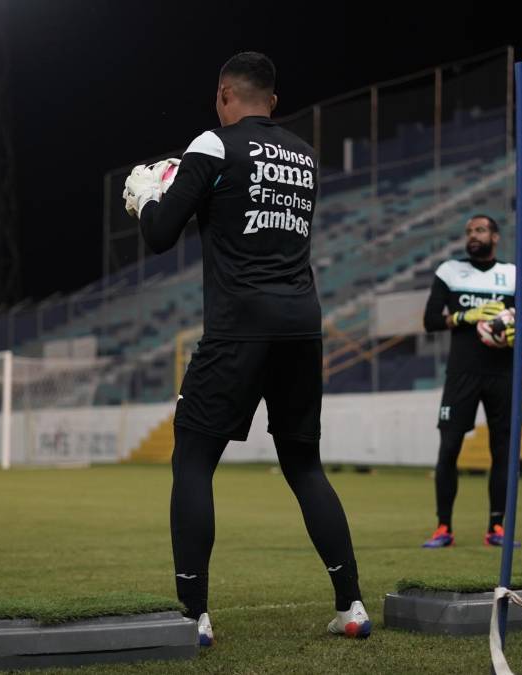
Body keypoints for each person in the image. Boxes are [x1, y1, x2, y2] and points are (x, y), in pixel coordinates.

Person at [124, 51, 369, 645]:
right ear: (274, 102)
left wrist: (146, 197)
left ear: (222, 96)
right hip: (301, 324)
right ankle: (352, 605)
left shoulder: (212, 143)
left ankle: (194, 614)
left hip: (239, 325)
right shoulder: (304, 156)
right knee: (304, 465)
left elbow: (160, 236)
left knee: (193, 459)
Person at [420, 215, 522, 549]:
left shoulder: (515, 275)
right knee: (449, 450)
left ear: (495, 236)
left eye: (480, 230)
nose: (473, 236)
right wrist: (464, 316)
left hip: (503, 375)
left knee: (502, 452)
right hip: (462, 375)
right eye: (469, 232)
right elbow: (430, 320)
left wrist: (520, 323)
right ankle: (443, 527)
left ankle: (496, 528)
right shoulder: (450, 272)